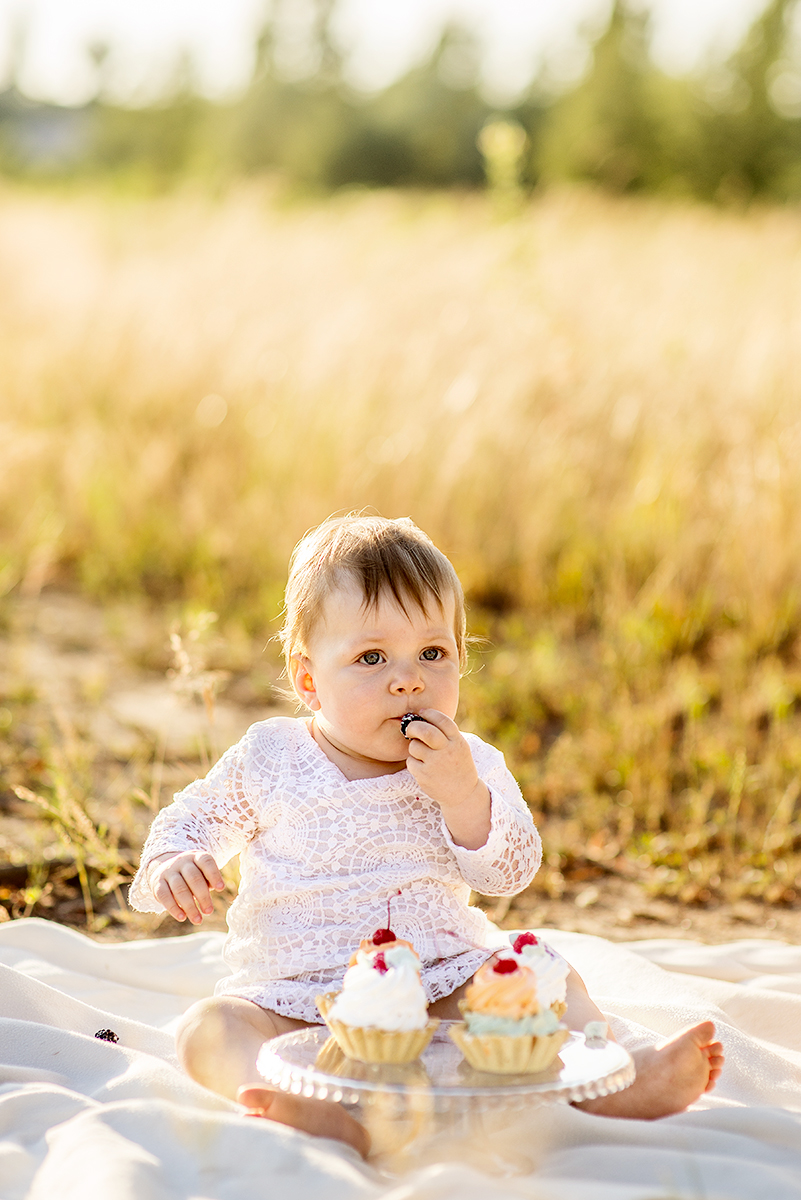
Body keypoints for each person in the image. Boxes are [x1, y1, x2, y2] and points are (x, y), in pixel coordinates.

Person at [129, 514, 723, 1157]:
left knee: (542, 977)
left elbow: (510, 872)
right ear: (308, 680)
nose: (407, 679)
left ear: (461, 661)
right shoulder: (270, 757)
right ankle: (307, 1108)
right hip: (298, 998)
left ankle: (613, 1079)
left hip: (441, 986)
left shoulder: (467, 762)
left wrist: (464, 795)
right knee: (207, 1031)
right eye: (372, 657)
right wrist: (175, 861)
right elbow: (192, 818)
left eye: (432, 653)